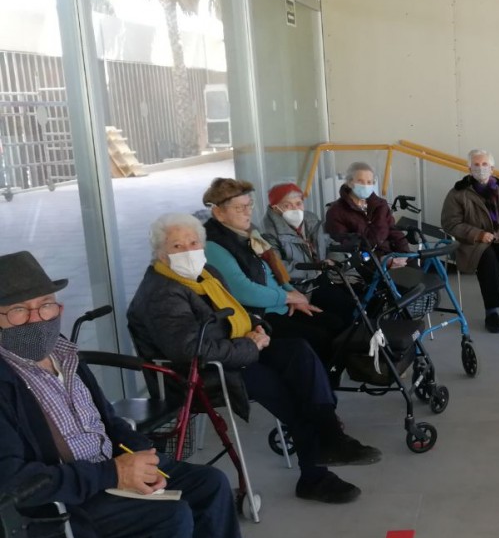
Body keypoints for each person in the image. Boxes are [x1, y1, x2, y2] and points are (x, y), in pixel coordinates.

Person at [0, 251, 247, 538]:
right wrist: (113, 473)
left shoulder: (63, 353)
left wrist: (143, 456)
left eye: (45, 305)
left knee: (211, 485)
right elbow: (15, 484)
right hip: (54, 506)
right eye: (17, 310)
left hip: (108, 472)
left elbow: (108, 421)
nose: (36, 319)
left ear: (58, 307)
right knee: (168, 517)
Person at [128, 213, 382, 505]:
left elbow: (237, 311)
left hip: (232, 353)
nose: (188, 251)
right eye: (177, 246)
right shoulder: (162, 293)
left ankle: (331, 435)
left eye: (193, 242)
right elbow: (190, 351)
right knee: (291, 390)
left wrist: (258, 327)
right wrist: (249, 346)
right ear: (160, 253)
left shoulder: (206, 274)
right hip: (198, 374)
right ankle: (315, 475)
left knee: (298, 352)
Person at [201, 178, 345, 372]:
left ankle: (327, 378)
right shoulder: (214, 245)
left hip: (280, 305)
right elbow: (243, 290)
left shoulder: (248, 234)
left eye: (249, 205)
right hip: (259, 316)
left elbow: (273, 269)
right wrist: (287, 297)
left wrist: (294, 295)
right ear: (219, 213)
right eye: (239, 208)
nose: (248, 212)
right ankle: (319, 383)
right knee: (319, 337)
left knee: (335, 323)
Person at [441, 149, 499, 333]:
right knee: (489, 261)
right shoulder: (458, 193)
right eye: (476, 164)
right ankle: (492, 312)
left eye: (485, 164)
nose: (481, 168)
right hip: (475, 244)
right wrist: (477, 234)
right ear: (469, 168)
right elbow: (450, 223)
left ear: (492, 168)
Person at [261, 182, 358, 329]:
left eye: (298, 203)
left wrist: (335, 261)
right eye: (287, 205)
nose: (295, 209)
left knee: (357, 301)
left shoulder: (310, 220)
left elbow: (329, 244)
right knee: (341, 312)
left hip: (324, 277)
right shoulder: (268, 233)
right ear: (275, 208)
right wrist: (316, 268)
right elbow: (277, 267)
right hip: (301, 288)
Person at [324, 161, 411, 265]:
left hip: (391, 255)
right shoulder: (336, 211)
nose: (365, 186)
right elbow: (345, 246)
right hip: (365, 263)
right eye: (360, 181)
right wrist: (381, 261)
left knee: (422, 266)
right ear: (350, 182)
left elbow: (394, 231)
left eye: (369, 182)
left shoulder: (380, 205)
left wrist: (405, 255)